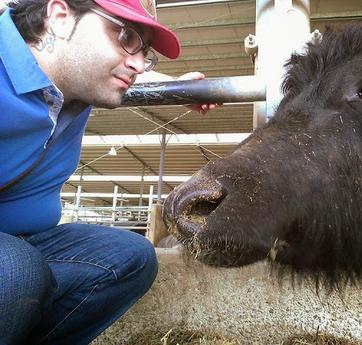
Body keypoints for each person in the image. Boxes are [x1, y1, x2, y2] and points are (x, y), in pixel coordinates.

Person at [0, 0, 214, 343]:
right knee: (15, 270)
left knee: (131, 256)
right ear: (59, 17)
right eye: (126, 36)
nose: (139, 64)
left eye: (145, 52)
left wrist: (177, 87)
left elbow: (91, 60)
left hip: (25, 240)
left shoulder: (72, 86)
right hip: (13, 261)